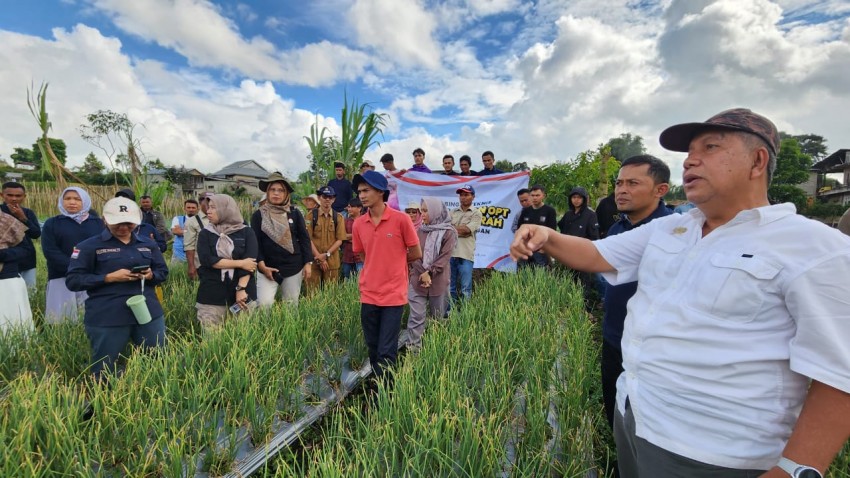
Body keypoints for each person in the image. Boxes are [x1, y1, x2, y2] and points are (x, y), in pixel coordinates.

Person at [511, 108, 850, 478]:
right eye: (689, 152)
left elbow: (839, 373)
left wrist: (795, 468)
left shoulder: (815, 248)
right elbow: (596, 254)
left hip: (714, 453)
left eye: (710, 147)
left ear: (757, 160)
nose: (690, 161)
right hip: (635, 418)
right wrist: (548, 236)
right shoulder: (674, 228)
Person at [598, 155, 671, 440]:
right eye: (618, 183)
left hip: (651, 348)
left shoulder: (675, 231)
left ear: (660, 190)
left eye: (632, 183)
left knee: (644, 425)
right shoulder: (618, 228)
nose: (621, 190)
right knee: (613, 409)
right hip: (615, 335)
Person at [65, 197, 168, 380]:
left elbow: (163, 272)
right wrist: (108, 277)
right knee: (104, 364)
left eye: (129, 223)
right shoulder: (88, 246)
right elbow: (73, 281)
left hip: (147, 310)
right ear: (105, 219)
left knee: (157, 358)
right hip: (108, 313)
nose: (123, 228)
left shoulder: (148, 244)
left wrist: (151, 275)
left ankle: (150, 397)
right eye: (117, 223)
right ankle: (102, 401)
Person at [352, 170, 421, 383]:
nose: (362, 195)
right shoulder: (358, 224)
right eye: (360, 191)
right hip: (369, 293)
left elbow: (416, 252)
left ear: (381, 192)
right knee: (373, 347)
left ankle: (387, 395)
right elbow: (363, 253)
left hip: (393, 294)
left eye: (366, 190)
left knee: (386, 350)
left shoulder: (401, 220)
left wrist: (394, 263)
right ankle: (379, 387)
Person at [402, 197, 457, 352]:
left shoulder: (449, 233)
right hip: (417, 280)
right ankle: (414, 351)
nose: (423, 214)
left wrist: (430, 273)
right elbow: (414, 254)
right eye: (422, 211)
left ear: (435, 211)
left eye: (425, 211)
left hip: (438, 282)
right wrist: (423, 273)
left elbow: (445, 257)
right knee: (416, 317)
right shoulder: (420, 231)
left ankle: (434, 351)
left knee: (437, 318)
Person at [41, 187, 103, 323]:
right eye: (67, 198)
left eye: (77, 199)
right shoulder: (52, 223)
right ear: (61, 201)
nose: (72, 202)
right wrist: (74, 268)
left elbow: (104, 248)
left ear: (85, 201)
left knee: (90, 316)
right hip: (61, 275)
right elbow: (50, 251)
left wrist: (90, 268)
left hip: (91, 276)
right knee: (61, 317)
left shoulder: (98, 224)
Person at [195, 194, 258, 329]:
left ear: (226, 209)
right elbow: (207, 260)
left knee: (243, 338)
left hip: (243, 294)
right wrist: (240, 263)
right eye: (208, 208)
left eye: (213, 208)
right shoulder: (205, 233)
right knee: (212, 339)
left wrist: (241, 288)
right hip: (212, 294)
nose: (208, 211)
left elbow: (251, 262)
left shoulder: (246, 232)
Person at [252, 173, 313, 307]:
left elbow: (304, 239)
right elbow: (256, 243)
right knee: (264, 304)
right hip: (267, 266)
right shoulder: (258, 215)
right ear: (267, 192)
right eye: (272, 190)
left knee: (291, 305)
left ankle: (290, 328)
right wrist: (262, 266)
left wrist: (307, 263)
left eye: (281, 190)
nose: (276, 193)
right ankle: (266, 329)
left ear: (286, 194)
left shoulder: (295, 213)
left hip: (293, 266)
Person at [305, 186, 346, 292]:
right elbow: (307, 239)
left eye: (330, 197)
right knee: (312, 295)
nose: (327, 199)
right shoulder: (310, 216)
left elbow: (340, 240)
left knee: (330, 294)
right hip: (314, 262)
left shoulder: (339, 218)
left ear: (333, 199)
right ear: (319, 198)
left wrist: (326, 255)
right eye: (324, 196)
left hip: (332, 262)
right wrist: (319, 257)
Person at [2, 182, 41, 289]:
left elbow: (36, 234)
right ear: (2, 195)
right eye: (9, 195)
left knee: (29, 293)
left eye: (18, 196)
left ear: (24, 197)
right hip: (4, 260)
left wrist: (22, 218)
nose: (14, 198)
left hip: (27, 259)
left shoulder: (28, 213)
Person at [0, 208, 33, 332]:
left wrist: (3, 254)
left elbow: (26, 250)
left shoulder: (9, 222)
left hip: (7, 281)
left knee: (12, 322)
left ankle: (17, 351)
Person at [449, 185, 482, 303]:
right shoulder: (452, 212)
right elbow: (445, 230)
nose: (463, 197)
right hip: (450, 254)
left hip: (465, 256)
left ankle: (465, 315)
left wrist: (452, 229)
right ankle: (450, 313)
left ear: (473, 197)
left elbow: (467, 230)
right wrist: (459, 230)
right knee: (450, 288)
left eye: (466, 195)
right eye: (461, 195)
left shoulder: (476, 213)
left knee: (465, 289)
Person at [516, 184, 557, 268]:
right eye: (532, 195)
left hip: (540, 250)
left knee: (540, 277)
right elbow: (519, 229)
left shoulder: (549, 211)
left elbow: (552, 231)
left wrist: (544, 249)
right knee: (522, 275)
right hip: (525, 250)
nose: (534, 198)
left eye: (537, 195)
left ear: (543, 196)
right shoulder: (525, 211)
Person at [115, 189, 167, 253]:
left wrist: (152, 242)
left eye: (147, 202)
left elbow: (162, 246)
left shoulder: (148, 227)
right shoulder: (111, 227)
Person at [184, 192, 213, 280]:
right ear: (200, 203)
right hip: (201, 265)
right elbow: (189, 246)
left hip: (219, 265)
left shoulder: (221, 218)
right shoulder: (192, 221)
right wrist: (191, 266)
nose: (210, 204)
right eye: (207, 201)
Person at [170, 199, 199, 264]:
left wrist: (183, 231)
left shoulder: (201, 221)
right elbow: (176, 231)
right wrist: (194, 232)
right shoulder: (177, 218)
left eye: (193, 208)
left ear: (197, 209)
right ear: (184, 208)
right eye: (188, 207)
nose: (191, 209)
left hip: (196, 253)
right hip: (179, 252)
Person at [342, 198, 364, 280]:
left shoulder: (365, 221)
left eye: (351, 207)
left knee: (361, 279)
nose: (349, 209)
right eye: (348, 207)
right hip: (347, 255)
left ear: (359, 208)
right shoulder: (345, 221)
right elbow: (342, 236)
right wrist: (357, 236)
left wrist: (349, 237)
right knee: (346, 279)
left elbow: (366, 236)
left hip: (360, 257)